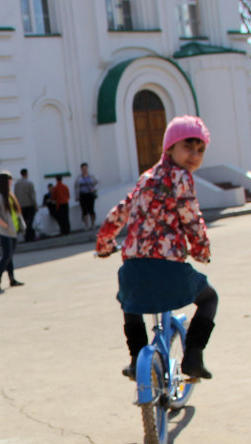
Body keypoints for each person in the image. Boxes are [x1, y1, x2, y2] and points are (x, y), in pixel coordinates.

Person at [94, 115, 218, 380]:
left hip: (133, 267)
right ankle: (194, 356)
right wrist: (201, 251)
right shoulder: (181, 177)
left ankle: (137, 358)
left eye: (201, 150)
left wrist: (105, 245)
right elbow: (191, 217)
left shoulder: (146, 178)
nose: (194, 154)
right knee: (209, 298)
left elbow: (119, 213)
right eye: (188, 146)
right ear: (169, 148)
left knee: (130, 302)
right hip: (168, 267)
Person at [0, 170, 25, 291]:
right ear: (3, 182)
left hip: (13, 231)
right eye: (9, 179)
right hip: (5, 232)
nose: (11, 181)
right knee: (6, 256)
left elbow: (15, 212)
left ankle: (12, 279)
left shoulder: (10, 195)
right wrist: (5, 225)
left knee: (10, 256)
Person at [14, 168, 38, 242]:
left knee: (24, 222)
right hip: (29, 205)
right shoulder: (29, 183)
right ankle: (31, 237)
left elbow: (15, 195)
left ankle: (26, 237)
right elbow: (32, 196)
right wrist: (35, 205)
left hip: (20, 206)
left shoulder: (17, 184)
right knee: (30, 222)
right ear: (26, 174)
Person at [76, 162, 99, 230]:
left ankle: (93, 224)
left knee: (91, 209)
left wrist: (94, 189)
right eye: (83, 168)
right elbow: (76, 187)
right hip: (83, 195)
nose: (84, 169)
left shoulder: (91, 176)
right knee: (84, 210)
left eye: (85, 168)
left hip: (90, 194)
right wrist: (77, 196)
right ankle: (87, 225)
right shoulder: (79, 178)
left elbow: (97, 183)